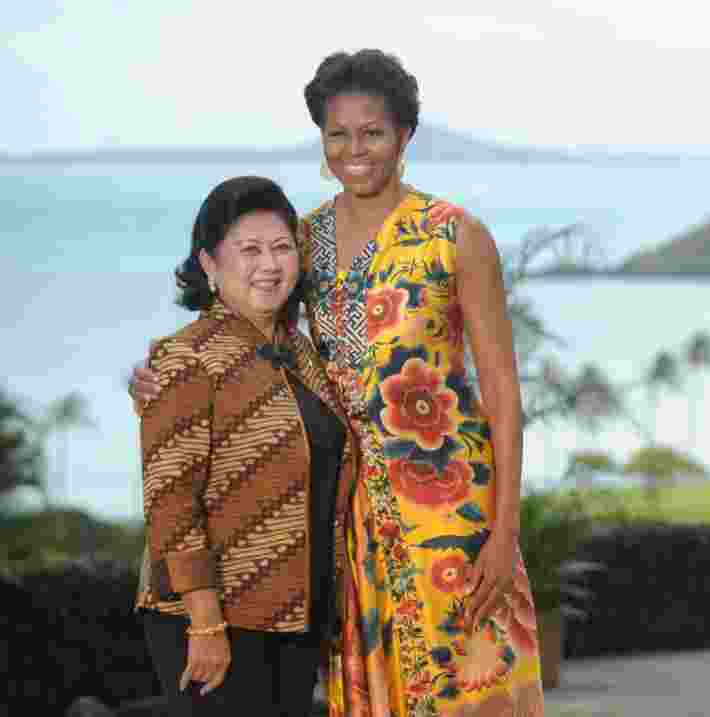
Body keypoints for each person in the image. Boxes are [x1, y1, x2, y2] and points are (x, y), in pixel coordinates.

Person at [133, 49, 544, 717]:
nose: (357, 150)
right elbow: (246, 333)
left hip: (449, 510)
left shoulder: (456, 237)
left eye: (373, 132)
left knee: (469, 690)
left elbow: (503, 393)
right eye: (338, 134)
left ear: (405, 135)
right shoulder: (304, 239)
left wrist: (503, 532)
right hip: (343, 526)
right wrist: (152, 378)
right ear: (322, 143)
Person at [134, 176, 357, 716]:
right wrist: (205, 622)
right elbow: (171, 505)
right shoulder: (185, 358)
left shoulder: (302, 353)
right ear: (209, 264)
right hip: (212, 620)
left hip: (296, 616)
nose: (270, 264)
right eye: (249, 250)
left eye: (282, 248)